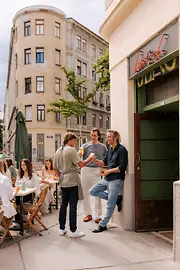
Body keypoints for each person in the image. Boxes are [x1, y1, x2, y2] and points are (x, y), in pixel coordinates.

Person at [54, 132, 96, 238]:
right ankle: (73, 230)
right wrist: (90, 158)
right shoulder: (71, 150)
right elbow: (81, 164)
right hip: (72, 180)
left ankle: (61, 228)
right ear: (70, 140)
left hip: (63, 180)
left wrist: (60, 175)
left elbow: (55, 167)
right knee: (73, 205)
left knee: (63, 205)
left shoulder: (58, 150)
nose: (75, 142)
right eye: (74, 140)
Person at [89, 130, 128, 233]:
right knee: (92, 191)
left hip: (116, 180)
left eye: (109, 137)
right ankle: (116, 200)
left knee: (110, 204)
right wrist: (94, 160)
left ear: (115, 138)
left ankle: (102, 225)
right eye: (107, 137)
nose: (107, 139)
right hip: (107, 179)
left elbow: (122, 168)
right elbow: (103, 162)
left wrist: (109, 171)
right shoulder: (110, 149)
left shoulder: (122, 150)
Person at [80, 128, 107, 223]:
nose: (93, 137)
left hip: (96, 170)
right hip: (85, 170)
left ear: (99, 136)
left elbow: (105, 162)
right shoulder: (85, 145)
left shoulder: (103, 147)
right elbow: (80, 158)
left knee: (97, 193)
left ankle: (98, 215)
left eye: (95, 135)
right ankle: (88, 214)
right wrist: (80, 154)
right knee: (85, 193)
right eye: (92, 135)